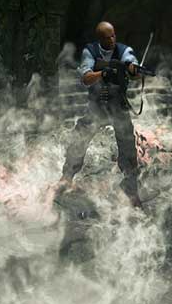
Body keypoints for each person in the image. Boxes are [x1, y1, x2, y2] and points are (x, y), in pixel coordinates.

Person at [59, 21, 143, 207]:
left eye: (113, 35)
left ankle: (130, 189)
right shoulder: (90, 52)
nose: (112, 39)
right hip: (97, 105)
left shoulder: (124, 51)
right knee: (80, 136)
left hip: (118, 105)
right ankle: (67, 177)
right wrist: (103, 73)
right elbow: (86, 78)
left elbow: (133, 67)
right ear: (100, 39)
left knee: (128, 146)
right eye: (107, 37)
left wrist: (133, 70)